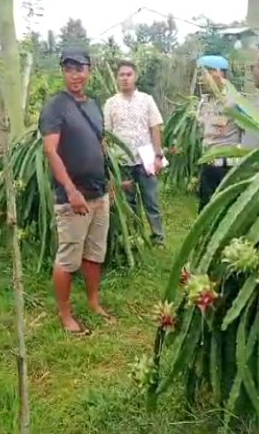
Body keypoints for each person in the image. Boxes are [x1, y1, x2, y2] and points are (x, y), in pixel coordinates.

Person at [40, 47, 114, 334]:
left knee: (95, 253)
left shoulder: (94, 105)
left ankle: (93, 302)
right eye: (69, 69)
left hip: (99, 193)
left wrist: (108, 180)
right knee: (68, 258)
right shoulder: (55, 106)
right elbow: (51, 151)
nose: (75, 74)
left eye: (80, 68)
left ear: (89, 70)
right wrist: (70, 190)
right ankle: (65, 313)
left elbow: (99, 145)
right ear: (62, 72)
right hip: (73, 198)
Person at [103, 60, 165, 245]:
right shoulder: (111, 103)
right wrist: (107, 161)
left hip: (145, 156)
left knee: (151, 199)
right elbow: (106, 133)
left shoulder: (147, 100)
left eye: (128, 74)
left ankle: (158, 237)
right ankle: (135, 236)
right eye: (121, 75)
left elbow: (154, 128)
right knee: (128, 201)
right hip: (121, 160)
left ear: (135, 76)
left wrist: (158, 155)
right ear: (117, 78)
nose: (125, 78)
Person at [195, 55, 241, 211]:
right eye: (199, 74)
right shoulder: (204, 102)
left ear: (219, 73)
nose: (200, 79)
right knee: (205, 210)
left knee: (226, 210)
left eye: (205, 73)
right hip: (208, 166)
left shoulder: (235, 102)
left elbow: (249, 132)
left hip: (227, 168)